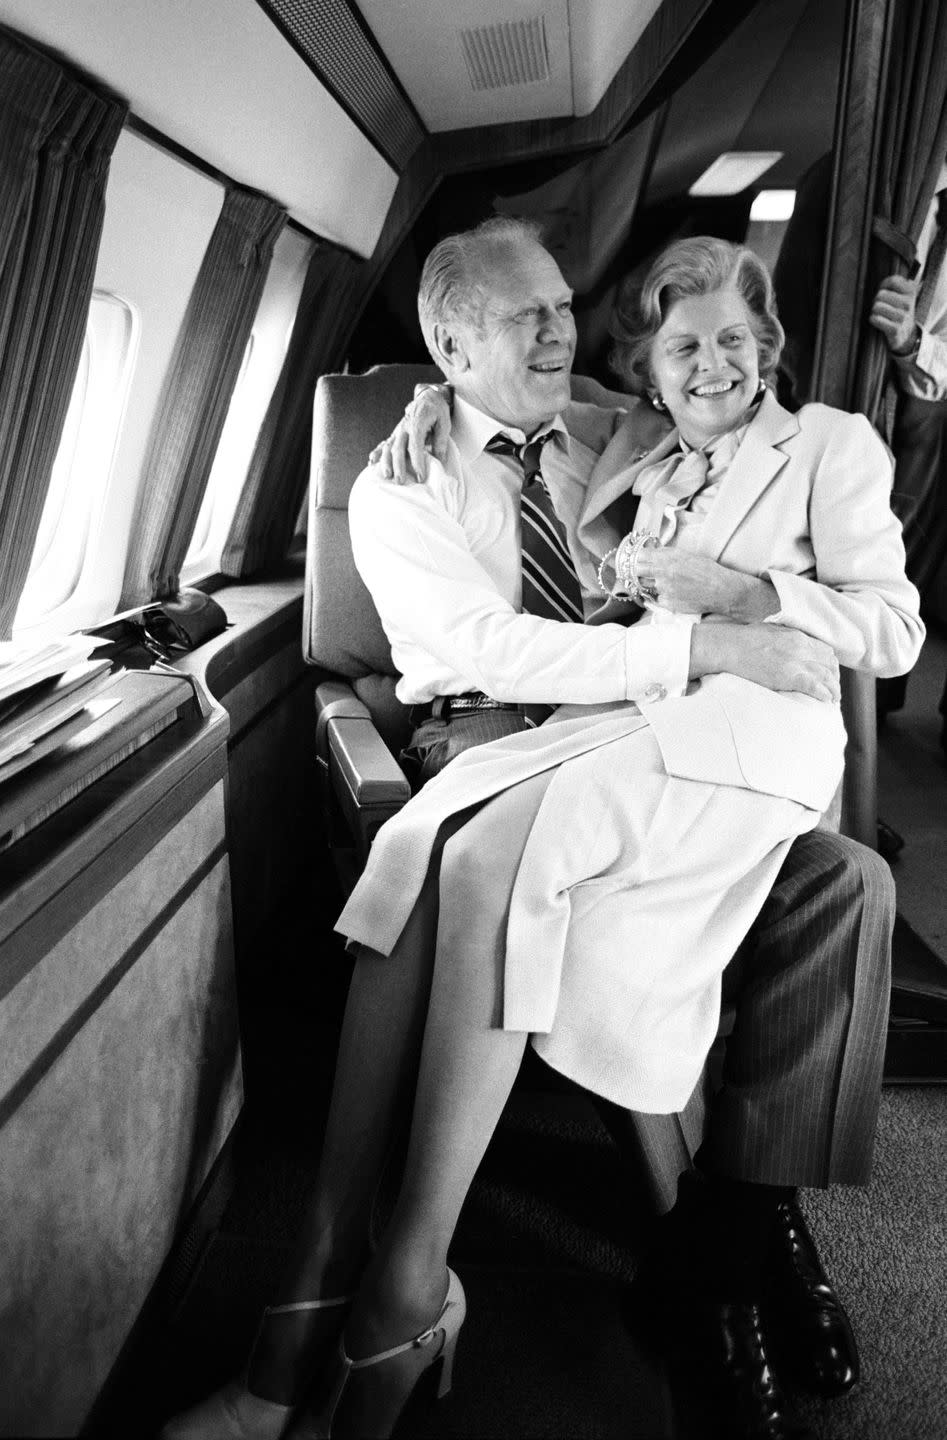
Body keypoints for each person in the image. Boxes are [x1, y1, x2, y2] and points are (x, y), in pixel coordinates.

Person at [161, 222, 920, 1440]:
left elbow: (712, 413)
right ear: (448, 348)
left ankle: (736, 1225)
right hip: (491, 720)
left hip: (657, 723)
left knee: (846, 887)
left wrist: (729, 615)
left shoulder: (617, 422)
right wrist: (699, 637)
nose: (560, 336)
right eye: (528, 320)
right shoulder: (402, 475)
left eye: (566, 308)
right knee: (439, 847)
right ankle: (353, 1279)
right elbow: (484, 652)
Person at [870, 155, 947, 753]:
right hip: (899, 406)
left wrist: (915, 344)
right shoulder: (894, 171)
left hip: (928, 394)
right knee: (891, 550)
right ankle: (875, 712)